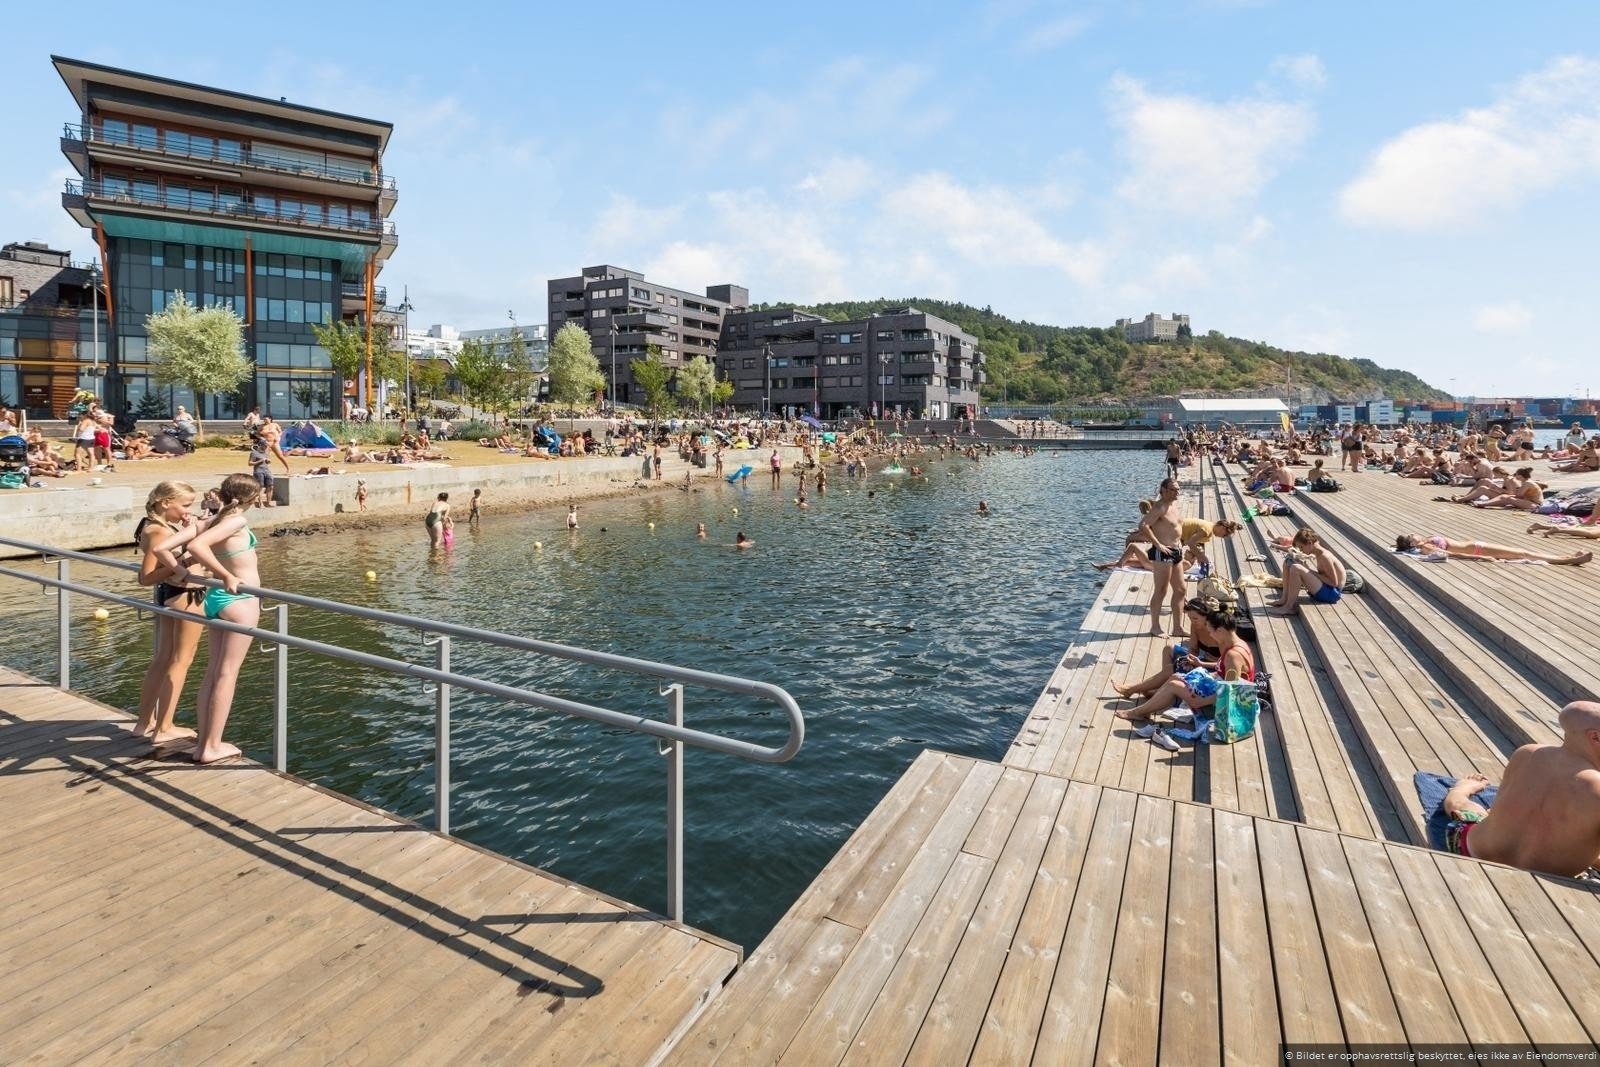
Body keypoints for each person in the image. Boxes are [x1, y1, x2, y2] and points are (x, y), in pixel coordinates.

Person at [154, 473, 261, 764]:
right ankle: (211, 747)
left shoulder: (207, 521)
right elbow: (197, 548)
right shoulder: (235, 521)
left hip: (214, 599)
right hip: (240, 600)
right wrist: (227, 575)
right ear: (250, 498)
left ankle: (204, 743)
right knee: (227, 674)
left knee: (213, 671)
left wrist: (182, 573)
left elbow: (162, 549)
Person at [1437, 702, 1600, 876]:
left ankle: (1460, 790)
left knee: (1468, 810)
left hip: (1472, 850)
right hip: (1546, 882)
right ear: (1596, 737)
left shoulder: (1528, 753)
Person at [132, 481, 205, 744]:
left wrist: (185, 534)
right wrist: (185, 562)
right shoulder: (159, 532)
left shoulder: (152, 526)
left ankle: (144, 723)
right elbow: (146, 577)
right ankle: (164, 727)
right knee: (180, 660)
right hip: (185, 597)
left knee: (163, 658)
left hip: (171, 596)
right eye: (185, 505)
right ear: (165, 503)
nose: (188, 510)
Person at [1114, 610, 1254, 722]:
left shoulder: (1232, 655)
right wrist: (1203, 672)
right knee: (1176, 676)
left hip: (1230, 706)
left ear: (1220, 630)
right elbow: (1225, 675)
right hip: (1218, 689)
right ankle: (1146, 710)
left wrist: (1202, 701)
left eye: (1211, 632)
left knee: (1174, 685)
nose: (1210, 636)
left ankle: (1136, 712)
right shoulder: (1238, 644)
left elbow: (1230, 691)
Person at [1135, 478, 1187, 637]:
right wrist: (1157, 544)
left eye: (1178, 489)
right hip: (1163, 553)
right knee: (1161, 591)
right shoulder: (1159, 507)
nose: (1176, 492)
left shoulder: (1174, 504)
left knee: (1180, 590)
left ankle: (1177, 628)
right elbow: (1143, 525)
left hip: (1176, 551)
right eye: (1172, 489)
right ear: (1163, 490)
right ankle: (1155, 627)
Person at [1267, 527, 1347, 615]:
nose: (1301, 550)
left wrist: (1308, 570)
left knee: (1296, 568)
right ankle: (1284, 599)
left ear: (1309, 543)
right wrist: (1306, 568)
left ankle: (1288, 607)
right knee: (1288, 562)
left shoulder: (1325, 557)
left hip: (1332, 594)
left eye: (1301, 547)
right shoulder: (1318, 553)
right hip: (1325, 589)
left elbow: (1333, 583)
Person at [1395, 532, 1591, 566]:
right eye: (1413, 537)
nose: (1416, 535)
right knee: (1524, 554)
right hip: (1479, 551)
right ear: (1412, 543)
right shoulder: (1427, 548)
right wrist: (1480, 558)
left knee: (1523, 551)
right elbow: (1453, 554)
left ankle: (1565, 556)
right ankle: (1567, 560)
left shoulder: (1424, 544)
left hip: (1479, 546)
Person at [248, 434, 276, 506]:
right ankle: (261, 503)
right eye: (264, 445)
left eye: (266, 446)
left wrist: (268, 461)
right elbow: (250, 463)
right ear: (260, 445)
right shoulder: (254, 453)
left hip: (267, 471)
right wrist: (259, 461)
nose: (266, 447)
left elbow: (266, 461)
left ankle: (268, 502)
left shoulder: (266, 452)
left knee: (270, 486)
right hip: (258, 472)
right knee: (260, 487)